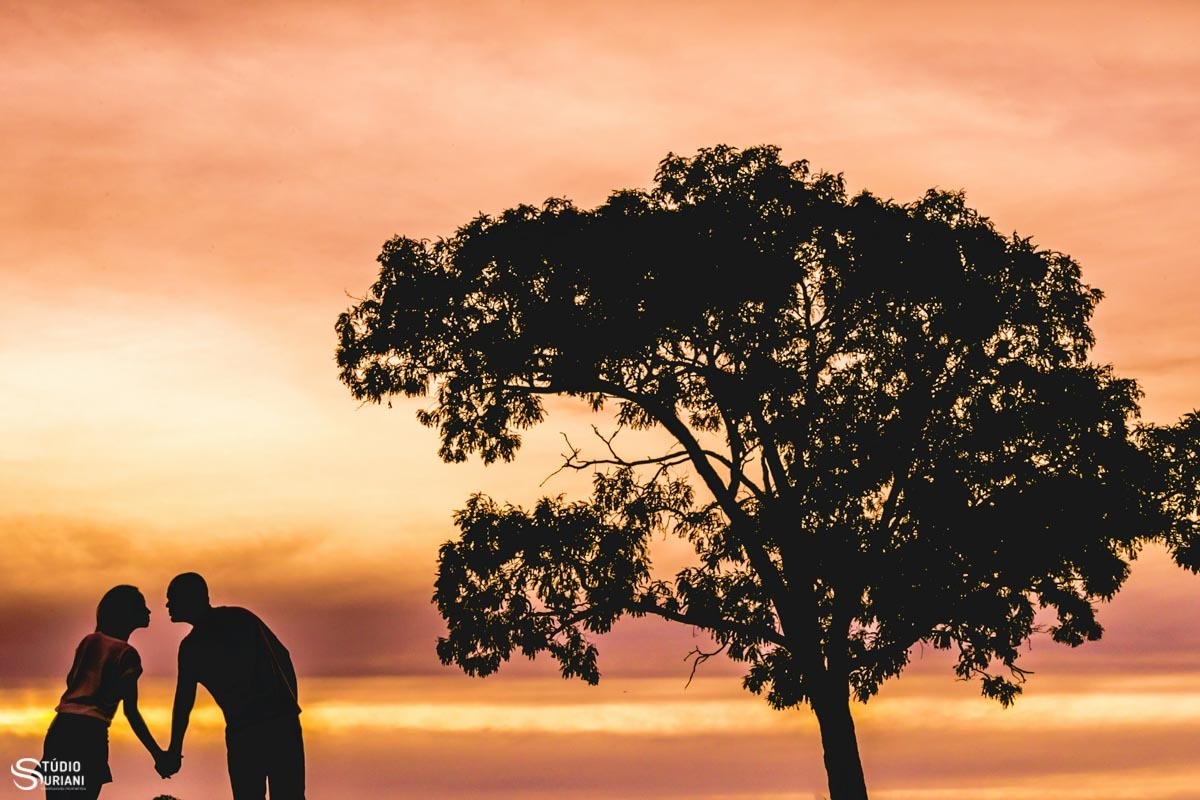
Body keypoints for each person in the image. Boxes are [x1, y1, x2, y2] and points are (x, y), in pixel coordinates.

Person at [158, 572, 304, 799]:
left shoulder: (193, 647)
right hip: (273, 724)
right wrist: (289, 706)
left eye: (172, 598)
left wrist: (175, 751)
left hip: (252, 729)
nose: (167, 604)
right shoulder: (239, 619)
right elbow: (283, 655)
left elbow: (184, 702)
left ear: (191, 598)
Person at [42, 585, 171, 799]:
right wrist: (158, 755)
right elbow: (131, 712)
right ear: (127, 613)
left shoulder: (89, 642)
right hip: (89, 734)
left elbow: (71, 681)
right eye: (142, 607)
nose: (149, 612)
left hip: (60, 729)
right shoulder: (128, 656)